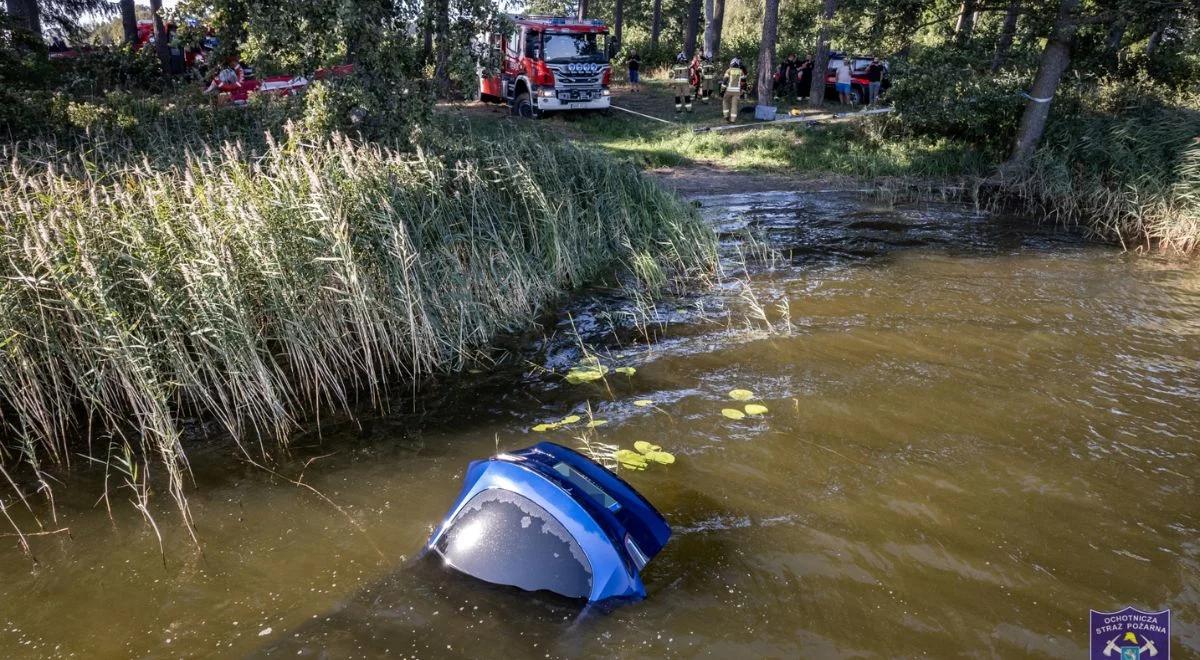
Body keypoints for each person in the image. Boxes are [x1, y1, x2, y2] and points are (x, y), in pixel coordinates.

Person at [720, 58, 745, 123]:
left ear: (731, 63)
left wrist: (722, 91)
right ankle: (733, 120)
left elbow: (724, 81)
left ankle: (726, 116)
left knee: (725, 102)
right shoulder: (741, 71)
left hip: (728, 91)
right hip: (737, 92)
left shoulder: (728, 71)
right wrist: (742, 91)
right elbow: (743, 82)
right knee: (734, 105)